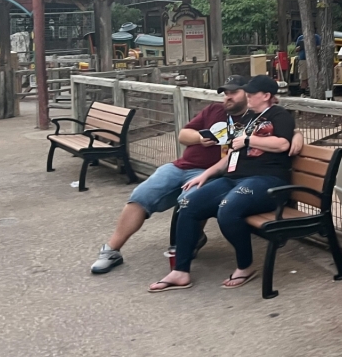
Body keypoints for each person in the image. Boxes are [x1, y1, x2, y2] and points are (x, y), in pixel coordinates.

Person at [90, 74, 250, 274]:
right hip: (180, 166)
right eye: (225, 93)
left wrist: (295, 135)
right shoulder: (213, 110)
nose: (227, 97)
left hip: (213, 173)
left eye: (233, 93)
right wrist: (199, 137)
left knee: (190, 199)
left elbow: (281, 130)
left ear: (248, 94)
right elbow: (183, 135)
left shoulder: (254, 119)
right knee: (142, 195)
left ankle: (192, 240)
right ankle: (112, 250)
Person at [148, 75, 295, 292]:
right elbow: (231, 155)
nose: (247, 97)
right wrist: (206, 174)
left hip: (268, 181)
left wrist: (247, 140)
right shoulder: (248, 119)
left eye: (251, 94)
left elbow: (283, 144)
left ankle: (245, 266)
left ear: (266, 96)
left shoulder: (279, 115)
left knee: (227, 209)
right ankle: (180, 271)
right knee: (188, 204)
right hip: (234, 178)